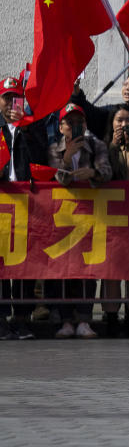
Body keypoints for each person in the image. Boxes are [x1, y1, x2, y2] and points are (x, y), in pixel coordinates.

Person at [48, 103, 113, 339]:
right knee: (64, 269)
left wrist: (93, 174)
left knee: (88, 267)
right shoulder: (55, 148)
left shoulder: (97, 145)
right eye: (70, 122)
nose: (75, 127)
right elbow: (58, 179)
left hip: (92, 215)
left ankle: (85, 319)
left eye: (80, 122)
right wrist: (66, 159)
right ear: (61, 126)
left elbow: (107, 171)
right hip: (63, 216)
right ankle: (66, 320)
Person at [0, 76, 46, 340]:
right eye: (6, 98)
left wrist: (26, 129)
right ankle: (2, 317)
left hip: (28, 206)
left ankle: (22, 317)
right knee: (3, 265)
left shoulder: (33, 127)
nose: (10, 104)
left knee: (25, 265)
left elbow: (42, 157)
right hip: (3, 205)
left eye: (15, 97)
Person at [101, 103, 129, 336]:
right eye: (119, 120)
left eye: (128, 120)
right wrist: (113, 147)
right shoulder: (103, 148)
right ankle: (111, 317)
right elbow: (104, 174)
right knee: (111, 268)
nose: (123, 124)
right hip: (111, 216)